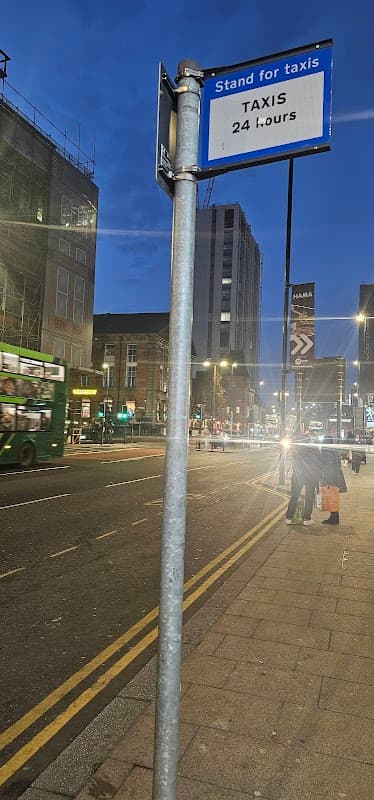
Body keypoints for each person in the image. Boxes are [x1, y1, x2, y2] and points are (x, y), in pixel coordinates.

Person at [285, 435, 321, 527]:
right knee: (309, 496)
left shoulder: (295, 450)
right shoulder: (314, 449)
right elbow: (318, 464)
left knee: (294, 496)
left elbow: (293, 463)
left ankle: (289, 517)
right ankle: (306, 518)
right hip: (310, 476)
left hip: (297, 476)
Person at [320, 436, 347, 525]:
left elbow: (328, 464)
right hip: (336, 476)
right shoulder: (334, 449)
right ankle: (334, 517)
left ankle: (334, 519)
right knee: (334, 497)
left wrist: (325, 478)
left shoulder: (326, 450)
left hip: (331, 477)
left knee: (332, 498)